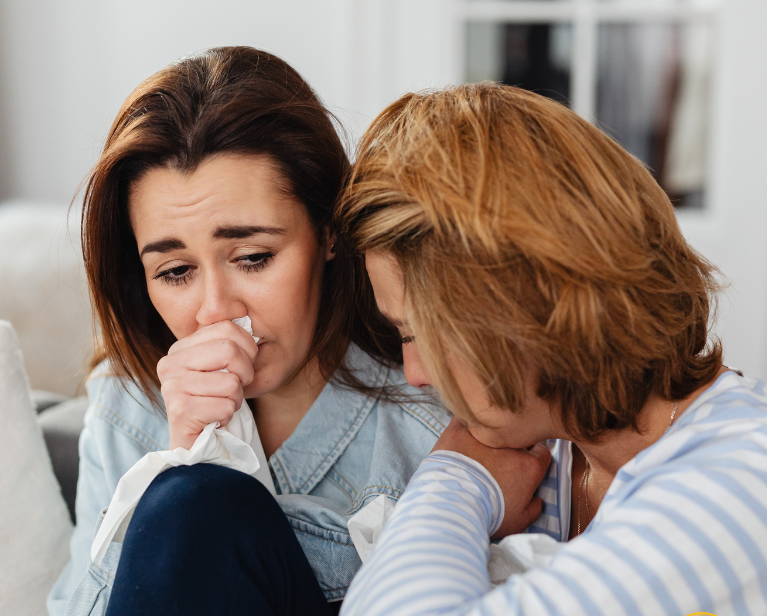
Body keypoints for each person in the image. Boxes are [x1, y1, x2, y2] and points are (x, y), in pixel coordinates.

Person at [46, 47, 450, 616]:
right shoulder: (125, 405)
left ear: (329, 233)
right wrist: (181, 460)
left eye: (254, 258)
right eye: (176, 272)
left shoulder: (428, 421)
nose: (215, 311)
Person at [338, 83, 767, 615]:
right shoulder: (555, 447)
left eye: (419, 333)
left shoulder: (740, 481)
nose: (415, 373)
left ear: (530, 304)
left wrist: (454, 482)